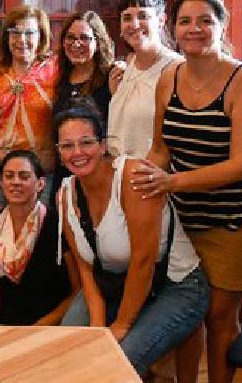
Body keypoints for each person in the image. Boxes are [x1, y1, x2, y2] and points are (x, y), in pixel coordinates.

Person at [138, 0, 242, 383]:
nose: (194, 29)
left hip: (237, 218)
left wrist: (172, 182)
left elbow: (240, 165)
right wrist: (142, 179)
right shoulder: (169, 78)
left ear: (221, 26)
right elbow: (161, 148)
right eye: (185, 21)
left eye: (205, 20)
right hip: (186, 215)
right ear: (174, 29)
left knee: (219, 316)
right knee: (188, 311)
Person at [56, 102, 209, 380]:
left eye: (86, 142)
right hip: (116, 284)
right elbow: (86, 269)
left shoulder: (132, 177)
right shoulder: (64, 195)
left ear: (103, 145)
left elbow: (143, 262)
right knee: (69, 346)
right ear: (59, 152)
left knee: (117, 361)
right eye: (67, 146)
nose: (77, 153)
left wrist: (120, 326)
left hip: (176, 285)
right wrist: (98, 327)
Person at [0, 150, 77, 326]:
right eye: (9, 176)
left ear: (40, 184)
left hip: (49, 325)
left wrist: (39, 328)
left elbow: (76, 292)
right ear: (1, 183)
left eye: (24, 176)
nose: (16, 182)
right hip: (6, 324)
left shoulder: (58, 224)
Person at [0, 5, 58, 205]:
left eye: (29, 33)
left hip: (40, 170)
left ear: (41, 36)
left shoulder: (55, 70)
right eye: (15, 32)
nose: (21, 40)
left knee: (38, 224)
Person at [106, 0, 181, 159]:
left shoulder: (176, 68)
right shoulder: (124, 68)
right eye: (127, 18)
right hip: (119, 169)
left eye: (143, 16)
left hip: (153, 171)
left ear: (161, 20)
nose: (134, 24)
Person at [53, 10, 115, 119]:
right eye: (70, 37)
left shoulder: (111, 78)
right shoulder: (58, 77)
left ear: (98, 44)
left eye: (84, 38)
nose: (76, 44)